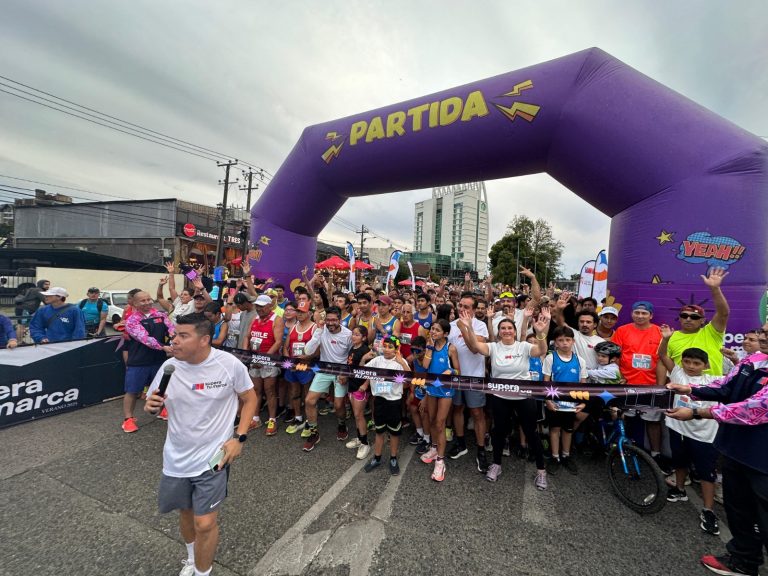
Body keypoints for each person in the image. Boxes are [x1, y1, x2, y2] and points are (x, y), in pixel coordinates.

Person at [144, 313, 257, 576]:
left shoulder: (228, 365)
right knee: (186, 512)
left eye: (184, 336)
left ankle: (203, 572)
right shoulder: (169, 368)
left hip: (213, 457)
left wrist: (239, 438)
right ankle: (192, 559)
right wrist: (151, 406)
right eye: (175, 335)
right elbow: (153, 402)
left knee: (204, 522)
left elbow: (250, 399)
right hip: (176, 457)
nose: (175, 341)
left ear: (205, 339)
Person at [666, 349, 768, 576]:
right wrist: (691, 389)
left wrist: (697, 413)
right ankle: (743, 561)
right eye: (763, 332)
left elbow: (755, 409)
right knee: (739, 511)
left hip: (763, 460)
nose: (763, 338)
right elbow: (725, 385)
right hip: (735, 450)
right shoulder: (753, 359)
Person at [459, 306, 550, 488]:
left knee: (532, 433)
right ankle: (496, 464)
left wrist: (540, 333)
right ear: (498, 332)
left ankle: (541, 471)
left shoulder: (523, 346)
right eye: (503, 329)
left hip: (524, 398)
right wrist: (468, 327)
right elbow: (475, 346)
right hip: (500, 397)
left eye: (510, 328)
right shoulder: (493, 347)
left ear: (515, 331)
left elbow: (541, 350)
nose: (506, 331)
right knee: (499, 432)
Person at [658, 330, 720, 535]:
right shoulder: (677, 373)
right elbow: (662, 355)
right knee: (679, 461)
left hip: (703, 435)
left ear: (706, 365)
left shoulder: (714, 382)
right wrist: (666, 339)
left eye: (696, 363)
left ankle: (708, 510)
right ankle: (679, 489)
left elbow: (715, 410)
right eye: (687, 361)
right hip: (677, 428)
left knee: (706, 473)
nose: (691, 366)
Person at [612, 300, 665, 468]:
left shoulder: (660, 332)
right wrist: (617, 377)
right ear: (632, 313)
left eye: (644, 313)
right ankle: (626, 449)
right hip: (627, 383)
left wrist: (661, 384)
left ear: (651, 315)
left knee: (653, 421)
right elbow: (615, 356)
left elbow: (664, 358)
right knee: (626, 418)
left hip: (651, 385)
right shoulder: (622, 330)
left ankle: (656, 454)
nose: (640, 316)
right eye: (637, 312)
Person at [301, 306, 353, 451]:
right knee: (309, 401)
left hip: (341, 371)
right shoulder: (321, 331)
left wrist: (346, 374)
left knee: (338, 405)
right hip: (323, 369)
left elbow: (352, 355)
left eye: (334, 320)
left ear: (340, 320)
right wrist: (318, 330)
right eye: (328, 320)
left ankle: (342, 424)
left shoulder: (348, 334)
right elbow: (308, 351)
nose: (330, 323)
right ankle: (314, 433)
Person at [449, 292, 490, 473]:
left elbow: (474, 349)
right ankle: (460, 443)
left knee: (477, 413)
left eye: (466, 307)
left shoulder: (480, 326)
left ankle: (481, 451)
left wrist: (465, 328)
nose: (462, 309)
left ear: (473, 310)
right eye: (460, 306)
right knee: (457, 409)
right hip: (456, 377)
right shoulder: (450, 326)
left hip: (474, 376)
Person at [663, 267, 730, 377]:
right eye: (684, 316)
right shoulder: (669, 336)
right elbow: (663, 361)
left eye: (694, 317)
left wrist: (715, 289)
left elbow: (723, 313)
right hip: (683, 386)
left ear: (702, 320)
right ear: (679, 318)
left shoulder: (712, 332)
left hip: (712, 386)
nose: (688, 319)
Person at [123, 291, 175, 432]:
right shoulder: (132, 321)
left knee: (163, 388)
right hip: (139, 361)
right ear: (134, 303)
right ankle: (128, 419)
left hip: (159, 360)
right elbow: (145, 338)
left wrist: (174, 337)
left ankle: (163, 410)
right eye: (142, 301)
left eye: (148, 299)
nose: (147, 303)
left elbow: (171, 328)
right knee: (132, 391)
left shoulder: (160, 315)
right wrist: (164, 347)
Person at [360, 336, 411, 474]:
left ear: (397, 349)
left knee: (394, 432)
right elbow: (360, 371)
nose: (387, 350)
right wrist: (364, 359)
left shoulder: (400, 362)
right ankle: (377, 458)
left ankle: (393, 458)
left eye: (391, 347)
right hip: (379, 400)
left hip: (394, 401)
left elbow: (410, 380)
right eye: (385, 346)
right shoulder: (377, 360)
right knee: (379, 430)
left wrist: (402, 363)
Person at [419, 318, 461, 482]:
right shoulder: (430, 346)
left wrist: (450, 371)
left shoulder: (451, 348)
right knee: (430, 418)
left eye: (437, 330)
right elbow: (425, 366)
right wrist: (429, 347)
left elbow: (458, 370)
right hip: (431, 388)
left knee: (439, 423)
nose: (433, 332)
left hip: (445, 390)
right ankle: (434, 448)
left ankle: (440, 461)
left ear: (445, 333)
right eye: (433, 329)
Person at [543, 325, 588, 476]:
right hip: (555, 403)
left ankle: (566, 456)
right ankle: (555, 457)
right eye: (560, 340)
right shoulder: (551, 358)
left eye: (567, 339)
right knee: (554, 429)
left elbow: (583, 383)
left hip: (572, 404)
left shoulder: (579, 360)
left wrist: (583, 402)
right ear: (555, 342)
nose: (564, 343)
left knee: (568, 430)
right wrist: (547, 400)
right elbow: (546, 381)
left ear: (573, 341)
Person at [245, 294, 284, 435]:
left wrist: (264, 358)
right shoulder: (255, 318)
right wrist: (246, 354)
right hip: (254, 358)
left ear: (269, 306)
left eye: (262, 306)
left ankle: (272, 419)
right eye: (257, 306)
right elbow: (247, 336)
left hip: (268, 360)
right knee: (255, 390)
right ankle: (255, 418)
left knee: (270, 390)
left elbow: (278, 341)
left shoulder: (277, 320)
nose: (259, 308)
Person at [283, 300, 317, 434]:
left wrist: (303, 359)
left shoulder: (314, 327)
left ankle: (309, 420)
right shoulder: (293, 327)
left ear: (309, 313)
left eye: (303, 312)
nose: (300, 314)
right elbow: (286, 347)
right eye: (298, 311)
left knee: (308, 394)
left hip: (306, 366)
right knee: (294, 391)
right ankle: (298, 418)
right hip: (292, 365)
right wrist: (290, 360)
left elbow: (317, 351)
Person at [344, 325, 373, 460]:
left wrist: (365, 384)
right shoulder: (352, 348)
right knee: (356, 416)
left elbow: (370, 371)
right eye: (353, 334)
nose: (354, 336)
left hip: (360, 387)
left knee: (358, 415)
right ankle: (360, 437)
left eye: (357, 334)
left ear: (364, 337)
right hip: (352, 384)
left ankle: (365, 443)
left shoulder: (365, 350)